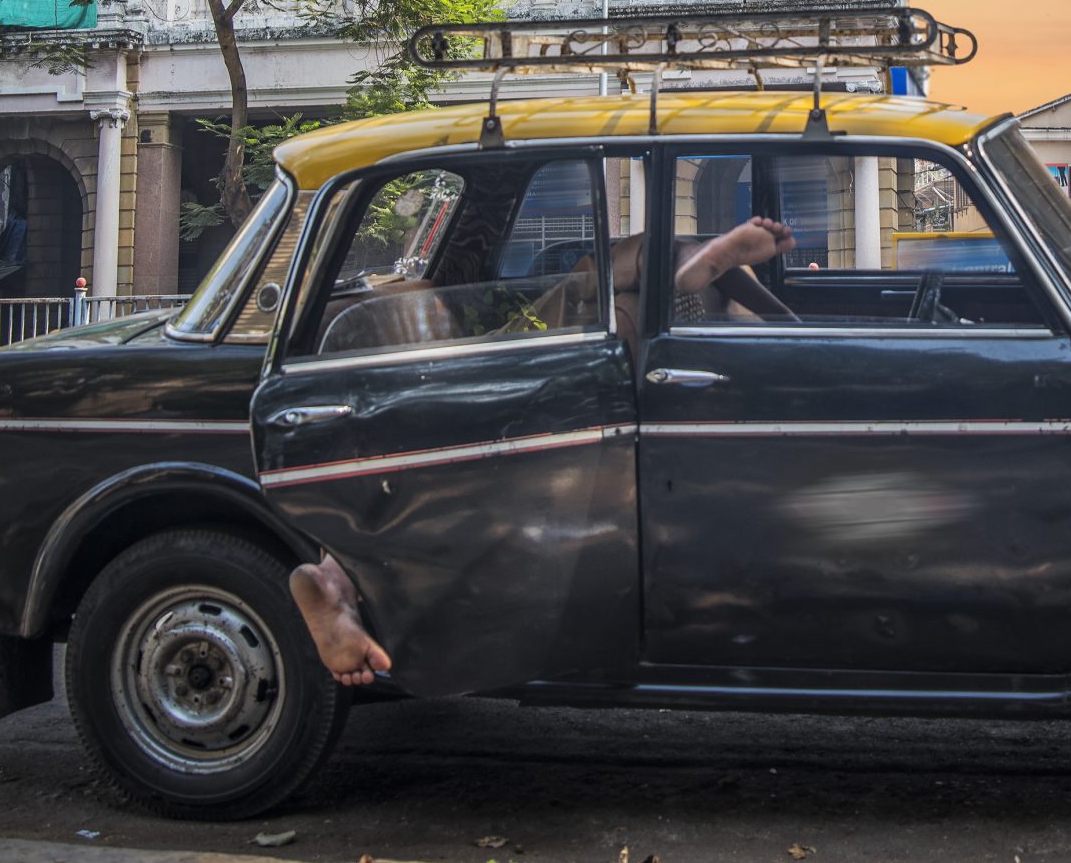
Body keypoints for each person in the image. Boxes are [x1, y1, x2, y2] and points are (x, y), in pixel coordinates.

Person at [290, 215, 798, 686]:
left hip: (553, 356)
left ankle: (336, 577)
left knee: (639, 283)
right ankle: (337, 578)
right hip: (530, 369)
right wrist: (777, 315)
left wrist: (772, 309)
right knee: (637, 283)